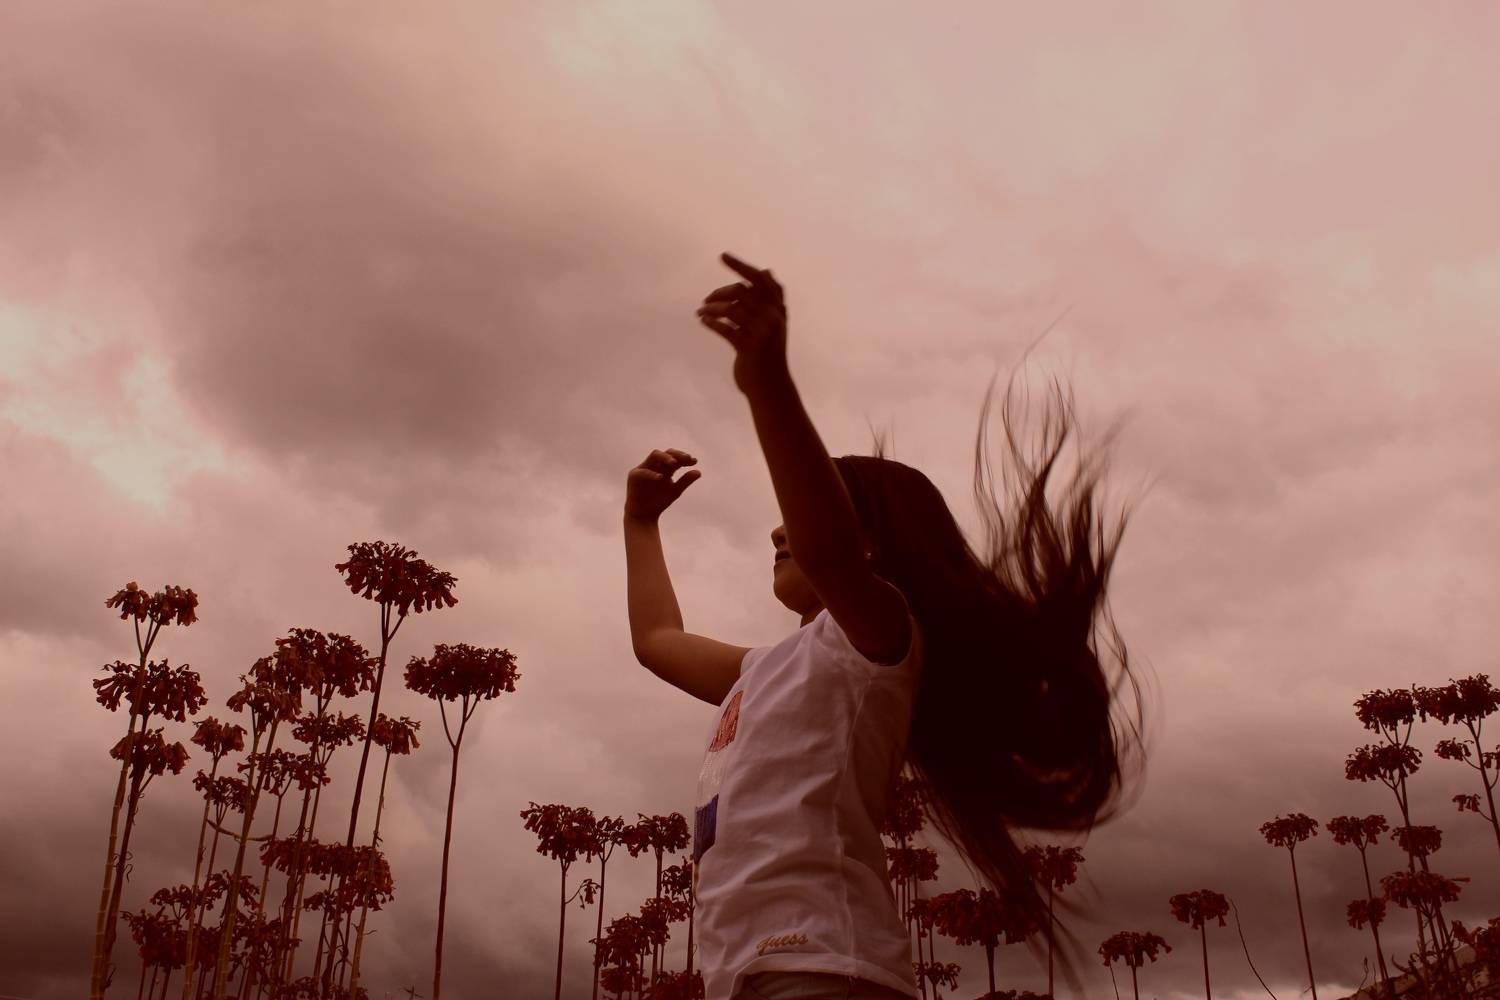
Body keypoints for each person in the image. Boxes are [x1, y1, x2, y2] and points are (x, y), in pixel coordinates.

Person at [622, 252, 1145, 1000]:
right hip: (750, 974)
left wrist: (765, 382)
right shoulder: (763, 669)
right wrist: (640, 524)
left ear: (869, 545)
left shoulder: (874, 638)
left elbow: (825, 549)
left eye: (800, 516)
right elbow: (656, 643)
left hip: (823, 967)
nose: (778, 530)